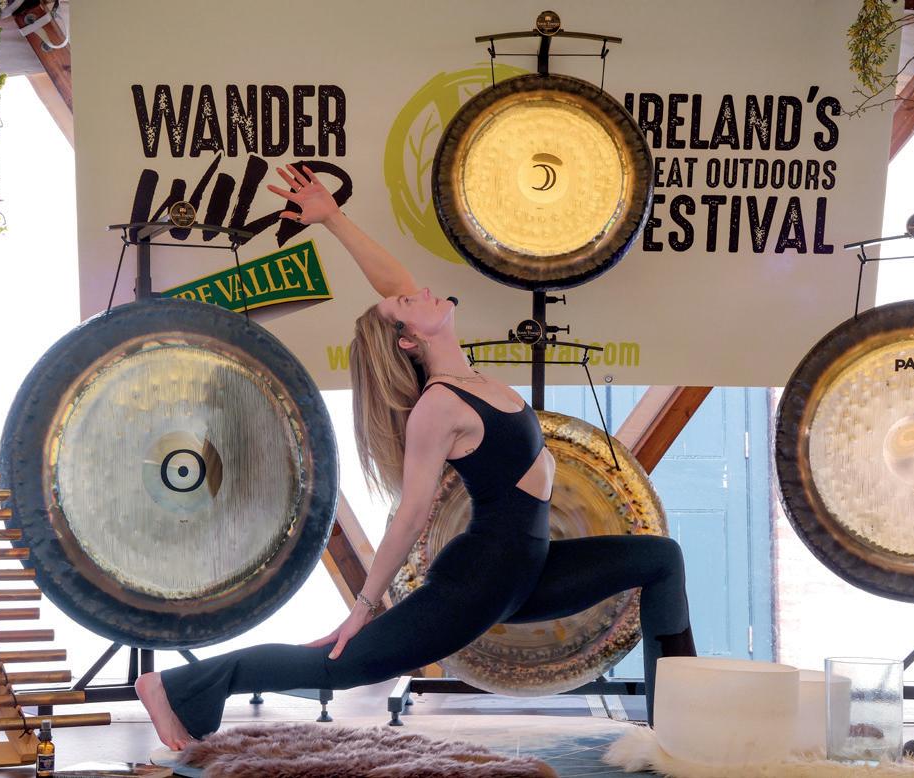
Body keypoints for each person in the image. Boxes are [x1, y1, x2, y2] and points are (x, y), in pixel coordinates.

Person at [135, 164, 695, 750]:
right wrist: (362, 609)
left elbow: (392, 285)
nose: (418, 290)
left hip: (528, 569)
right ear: (410, 340)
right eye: (407, 302)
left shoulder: (467, 376)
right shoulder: (438, 406)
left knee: (660, 559)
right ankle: (175, 687)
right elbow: (410, 517)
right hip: (479, 581)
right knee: (340, 666)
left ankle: (679, 726)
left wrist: (333, 219)